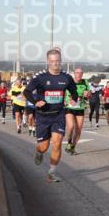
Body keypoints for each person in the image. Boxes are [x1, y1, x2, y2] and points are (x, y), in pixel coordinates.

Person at [24, 48, 81, 183]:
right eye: (52, 61)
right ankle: (39, 152)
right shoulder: (40, 77)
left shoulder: (66, 77)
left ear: (61, 61)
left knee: (57, 143)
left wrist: (74, 98)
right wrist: (36, 102)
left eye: (57, 61)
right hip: (43, 116)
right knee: (44, 147)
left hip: (58, 115)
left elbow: (74, 91)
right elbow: (27, 92)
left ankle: (52, 172)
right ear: (48, 61)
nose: (55, 64)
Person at [63, 68, 90, 154]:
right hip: (69, 107)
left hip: (80, 107)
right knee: (70, 126)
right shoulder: (69, 81)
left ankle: (72, 147)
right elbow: (62, 91)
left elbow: (89, 94)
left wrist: (88, 94)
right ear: (74, 74)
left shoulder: (85, 82)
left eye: (81, 73)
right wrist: (63, 100)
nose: (79, 74)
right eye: (77, 73)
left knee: (78, 129)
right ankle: (69, 142)